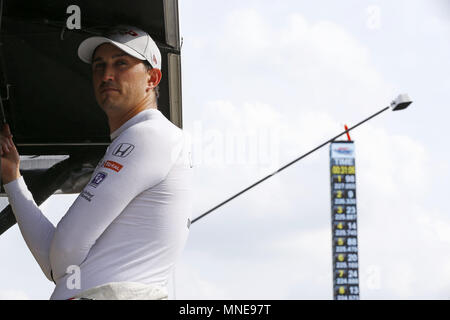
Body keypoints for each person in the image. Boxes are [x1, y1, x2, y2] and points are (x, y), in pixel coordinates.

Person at [0, 25, 192, 300]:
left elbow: (64, 254)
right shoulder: (145, 138)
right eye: (99, 65)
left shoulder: (147, 135)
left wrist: (63, 261)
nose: (107, 74)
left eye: (121, 63)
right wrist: (13, 178)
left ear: (153, 77)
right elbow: (54, 265)